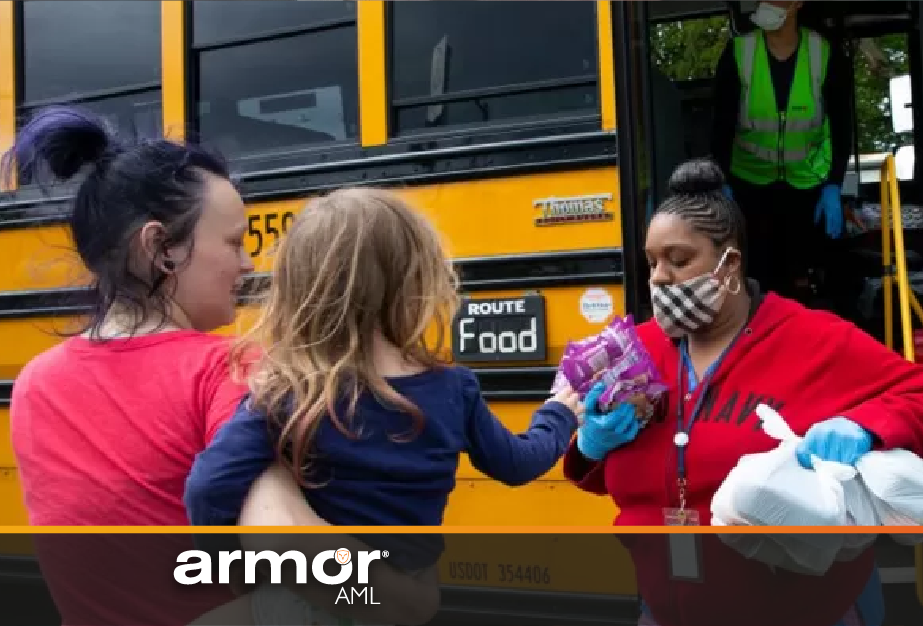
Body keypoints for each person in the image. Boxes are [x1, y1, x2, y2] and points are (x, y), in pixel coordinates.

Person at [2, 106, 435, 626]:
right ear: (161, 248)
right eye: (234, 242)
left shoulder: (35, 383)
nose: (249, 264)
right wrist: (399, 600)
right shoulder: (223, 369)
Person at [564, 158, 923, 626]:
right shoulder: (635, 354)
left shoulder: (813, 340)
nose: (660, 277)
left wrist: (866, 426)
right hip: (662, 612)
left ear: (729, 263)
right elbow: (611, 475)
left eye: (678, 261)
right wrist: (590, 445)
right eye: (653, 263)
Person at [182, 187, 582, 620]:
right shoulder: (453, 388)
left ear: (299, 291)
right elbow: (516, 463)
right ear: (416, 282)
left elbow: (208, 485)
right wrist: (558, 417)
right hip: (404, 590)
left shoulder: (288, 394)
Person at [710, 0, 855, 302]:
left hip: (807, 185)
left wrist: (833, 185)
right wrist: (721, 182)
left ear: (798, 3)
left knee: (821, 272)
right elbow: (720, 126)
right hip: (748, 185)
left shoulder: (824, 53)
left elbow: (842, 125)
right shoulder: (739, 52)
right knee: (757, 277)